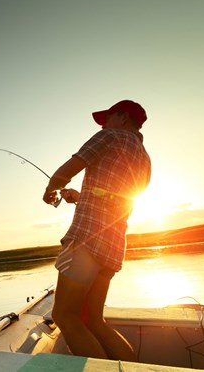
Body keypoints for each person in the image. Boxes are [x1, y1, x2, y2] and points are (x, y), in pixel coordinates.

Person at [42, 99, 151, 360]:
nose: (103, 124)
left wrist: (50, 190)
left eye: (108, 117)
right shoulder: (144, 158)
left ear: (123, 117)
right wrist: (79, 197)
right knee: (94, 320)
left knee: (64, 316)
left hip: (87, 241)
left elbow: (70, 168)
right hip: (113, 247)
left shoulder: (110, 136)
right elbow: (117, 197)